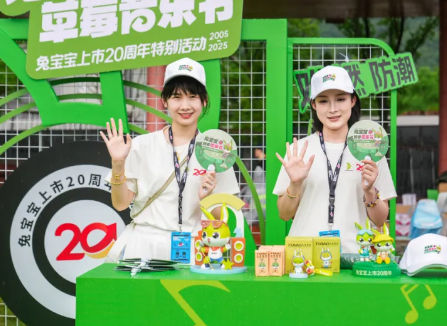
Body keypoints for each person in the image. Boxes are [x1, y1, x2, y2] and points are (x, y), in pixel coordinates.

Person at [100, 58, 240, 261]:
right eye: (177, 97)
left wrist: (208, 199)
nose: (185, 106)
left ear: (204, 101)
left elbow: (224, 221)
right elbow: (120, 203)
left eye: (192, 97)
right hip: (144, 246)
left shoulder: (217, 151)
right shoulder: (141, 145)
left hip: (194, 247)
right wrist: (118, 164)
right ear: (165, 101)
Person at [273, 66, 397, 254]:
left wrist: (370, 191)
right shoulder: (299, 151)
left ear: (353, 101)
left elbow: (380, 220)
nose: (333, 109)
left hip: (355, 256)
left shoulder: (371, 150)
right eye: (323, 101)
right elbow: (284, 214)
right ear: (314, 105)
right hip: (305, 258)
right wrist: (295, 184)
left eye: (340, 99)